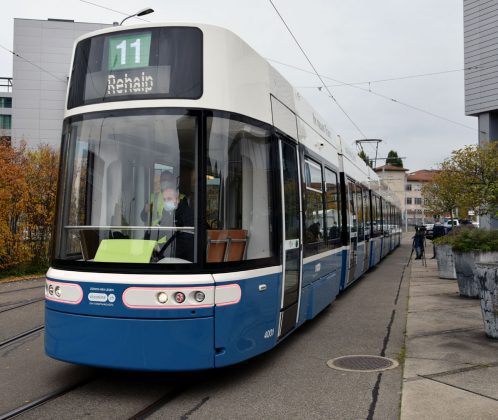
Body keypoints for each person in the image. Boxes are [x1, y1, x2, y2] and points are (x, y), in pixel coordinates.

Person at [157, 171, 194, 262]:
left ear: (177, 199)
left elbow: (186, 240)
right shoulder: (167, 212)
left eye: (169, 199)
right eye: (164, 199)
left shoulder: (187, 213)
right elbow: (163, 232)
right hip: (171, 255)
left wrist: (162, 249)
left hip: (186, 260)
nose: (166, 202)